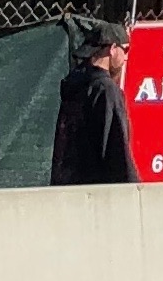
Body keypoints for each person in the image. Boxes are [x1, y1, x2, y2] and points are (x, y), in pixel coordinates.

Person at [50, 27, 131, 185]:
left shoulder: (74, 85)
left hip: (67, 190)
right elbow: (117, 152)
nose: (126, 57)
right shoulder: (106, 90)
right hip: (99, 195)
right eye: (125, 49)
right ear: (113, 49)